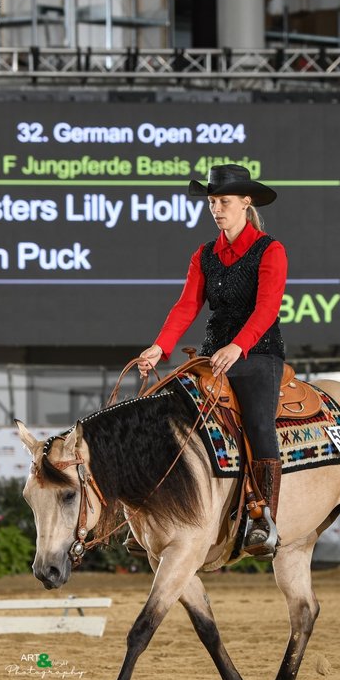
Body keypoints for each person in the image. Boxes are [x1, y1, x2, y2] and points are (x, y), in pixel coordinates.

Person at [136, 164, 287, 557]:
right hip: (211, 354)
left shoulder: (270, 250)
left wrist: (239, 346)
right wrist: (160, 347)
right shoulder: (204, 255)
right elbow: (187, 306)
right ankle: (153, 512)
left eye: (223, 201)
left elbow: (268, 307)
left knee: (257, 424)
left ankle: (263, 516)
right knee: (163, 412)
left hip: (258, 354)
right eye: (212, 202)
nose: (216, 209)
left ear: (245, 203)